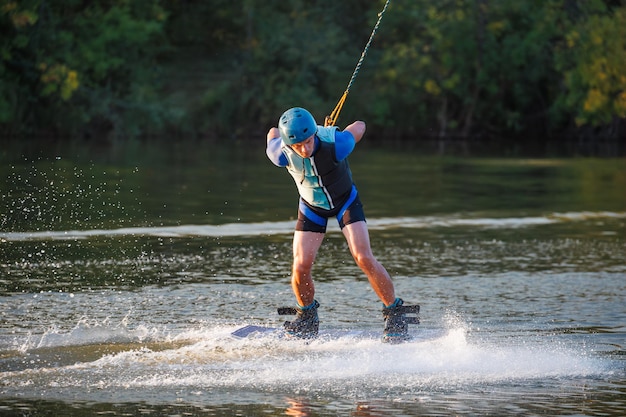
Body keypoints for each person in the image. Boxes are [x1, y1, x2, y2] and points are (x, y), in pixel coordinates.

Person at [265, 107, 418, 342]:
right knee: (300, 265)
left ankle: (395, 312)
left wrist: (330, 132)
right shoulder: (280, 154)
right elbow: (272, 132)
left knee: (362, 257)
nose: (304, 149)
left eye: (308, 141)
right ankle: (307, 317)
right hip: (311, 207)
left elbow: (360, 125)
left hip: (346, 201)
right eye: (297, 145)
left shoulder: (337, 144)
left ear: (315, 133)